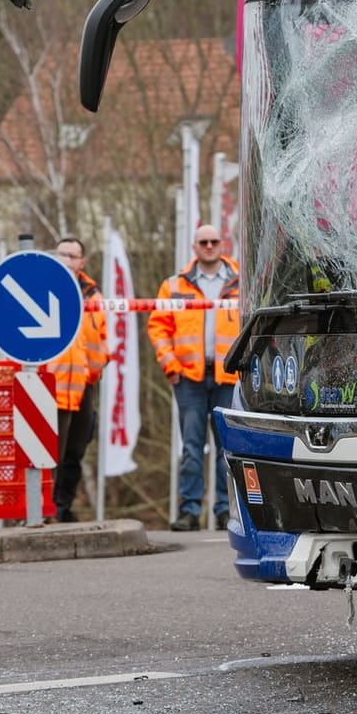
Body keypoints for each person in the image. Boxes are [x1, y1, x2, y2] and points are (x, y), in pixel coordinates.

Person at [148, 224, 240, 531]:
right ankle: (189, 511)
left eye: (215, 241)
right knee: (191, 446)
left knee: (227, 448)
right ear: (195, 246)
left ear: (222, 244)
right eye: (204, 241)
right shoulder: (174, 285)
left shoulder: (242, 280)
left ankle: (226, 510)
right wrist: (170, 365)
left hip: (229, 376)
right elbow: (158, 327)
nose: (210, 246)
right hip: (188, 377)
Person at [47, 236, 107, 523]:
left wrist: (96, 371)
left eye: (72, 256)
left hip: (84, 384)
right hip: (52, 384)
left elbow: (101, 338)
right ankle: (44, 508)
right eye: (61, 255)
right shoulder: (42, 286)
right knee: (49, 451)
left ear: (82, 262)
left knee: (76, 449)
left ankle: (63, 505)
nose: (66, 261)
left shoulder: (93, 295)